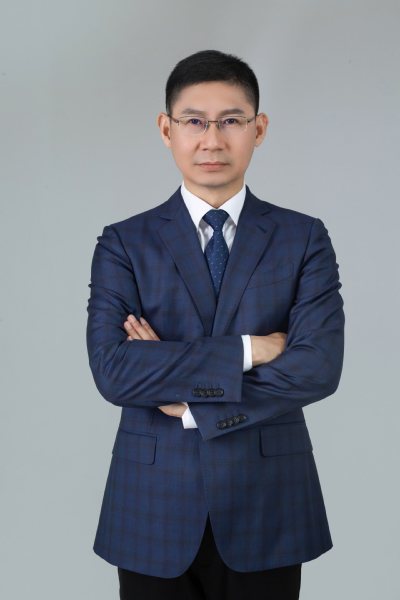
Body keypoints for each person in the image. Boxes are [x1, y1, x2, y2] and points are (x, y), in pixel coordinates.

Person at [86, 49, 345, 600]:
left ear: (259, 128)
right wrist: (252, 349)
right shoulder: (124, 243)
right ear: (167, 129)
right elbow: (115, 372)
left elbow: (317, 368)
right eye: (194, 122)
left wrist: (190, 405)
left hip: (269, 501)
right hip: (151, 502)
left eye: (231, 121)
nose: (212, 140)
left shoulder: (303, 238)